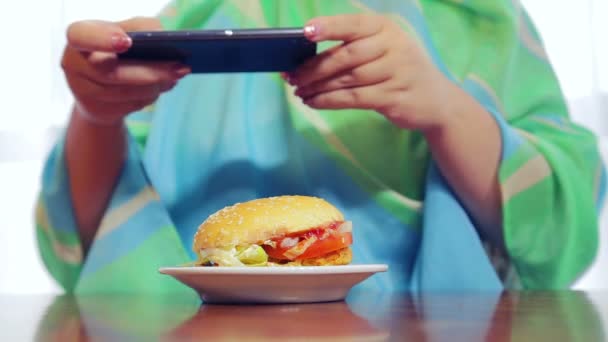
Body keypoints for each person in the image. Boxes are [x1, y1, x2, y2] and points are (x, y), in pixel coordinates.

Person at [36, 0, 605, 294]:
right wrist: (95, 112)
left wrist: (446, 109)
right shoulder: (195, 18)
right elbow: (89, 247)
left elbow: (559, 229)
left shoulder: (486, 24)